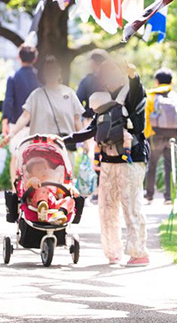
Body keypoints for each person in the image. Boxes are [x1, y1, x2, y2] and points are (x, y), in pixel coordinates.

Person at [66, 57, 150, 266]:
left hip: (131, 159)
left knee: (131, 206)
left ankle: (139, 252)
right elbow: (92, 129)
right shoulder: (103, 101)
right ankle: (113, 252)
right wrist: (66, 139)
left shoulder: (131, 94)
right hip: (107, 161)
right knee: (106, 208)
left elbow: (137, 88)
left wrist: (133, 75)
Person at [6, 55, 84, 144]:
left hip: (63, 147)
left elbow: (77, 120)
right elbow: (25, 116)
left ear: (59, 71)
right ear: (43, 73)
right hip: (40, 147)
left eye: (53, 69)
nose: (51, 72)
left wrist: (85, 142)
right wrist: (11, 134)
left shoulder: (70, 94)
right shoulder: (36, 95)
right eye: (48, 70)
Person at [144, 67, 177, 204]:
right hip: (173, 135)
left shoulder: (151, 96)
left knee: (151, 165)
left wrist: (147, 135)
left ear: (157, 81)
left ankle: (149, 195)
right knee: (169, 166)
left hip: (155, 135)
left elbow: (146, 117)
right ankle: (168, 197)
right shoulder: (176, 96)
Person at [2, 43, 38, 137]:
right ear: (35, 59)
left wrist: (5, 122)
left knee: (17, 151)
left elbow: (8, 101)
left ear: (19, 57)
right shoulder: (40, 78)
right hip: (37, 126)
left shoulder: (13, 78)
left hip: (16, 125)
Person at [76, 49, 109, 114]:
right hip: (112, 118)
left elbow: (77, 102)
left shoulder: (86, 81)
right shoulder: (112, 79)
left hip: (91, 118)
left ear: (93, 63)